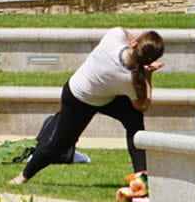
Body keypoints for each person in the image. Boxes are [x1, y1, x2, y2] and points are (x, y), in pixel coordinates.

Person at [10, 27, 165, 187]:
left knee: (133, 120)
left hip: (102, 96)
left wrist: (136, 49)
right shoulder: (128, 80)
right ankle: (22, 177)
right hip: (79, 99)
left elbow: (124, 31)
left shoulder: (113, 38)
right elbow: (142, 105)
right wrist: (148, 76)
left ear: (134, 44)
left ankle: (141, 177)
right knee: (59, 145)